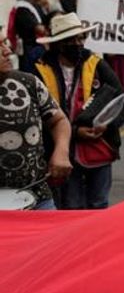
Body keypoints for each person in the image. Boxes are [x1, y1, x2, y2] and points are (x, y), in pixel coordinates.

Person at [34, 13, 124, 209]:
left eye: (80, 38)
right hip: (61, 154)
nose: (78, 43)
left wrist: (107, 125)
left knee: (99, 204)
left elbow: (122, 101)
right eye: (71, 40)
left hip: (99, 149)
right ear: (58, 43)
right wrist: (74, 133)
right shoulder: (39, 71)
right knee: (71, 207)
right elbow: (36, 116)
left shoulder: (97, 65)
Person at [0, 35, 72, 209]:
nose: (8, 51)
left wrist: (61, 151)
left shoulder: (27, 82)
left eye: (5, 43)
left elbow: (59, 120)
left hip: (38, 197)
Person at [9, 0, 47, 70]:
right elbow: (40, 29)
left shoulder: (35, 6)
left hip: (38, 49)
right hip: (30, 52)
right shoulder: (22, 9)